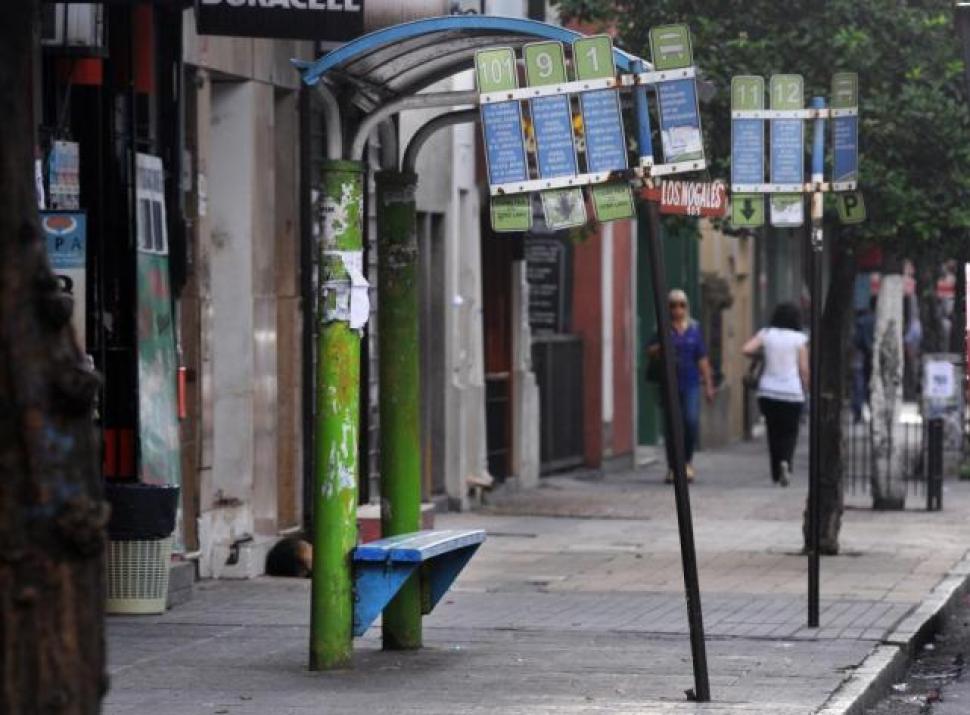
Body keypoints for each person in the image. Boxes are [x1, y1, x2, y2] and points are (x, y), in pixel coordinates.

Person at [647, 289, 715, 483]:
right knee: (672, 426)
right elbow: (649, 351)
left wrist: (708, 385)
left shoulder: (694, 329)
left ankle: (686, 462)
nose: (677, 309)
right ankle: (673, 467)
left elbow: (702, 358)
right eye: (673, 305)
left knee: (690, 421)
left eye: (681, 305)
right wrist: (662, 345)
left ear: (687, 307)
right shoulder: (662, 328)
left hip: (690, 383)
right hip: (669, 384)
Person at [743, 302, 809, 486]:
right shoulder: (799, 339)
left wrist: (762, 355)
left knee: (773, 431)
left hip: (768, 391)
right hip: (792, 392)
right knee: (790, 431)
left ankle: (775, 472)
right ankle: (786, 462)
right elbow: (804, 369)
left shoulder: (766, 334)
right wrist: (806, 387)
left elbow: (746, 349)